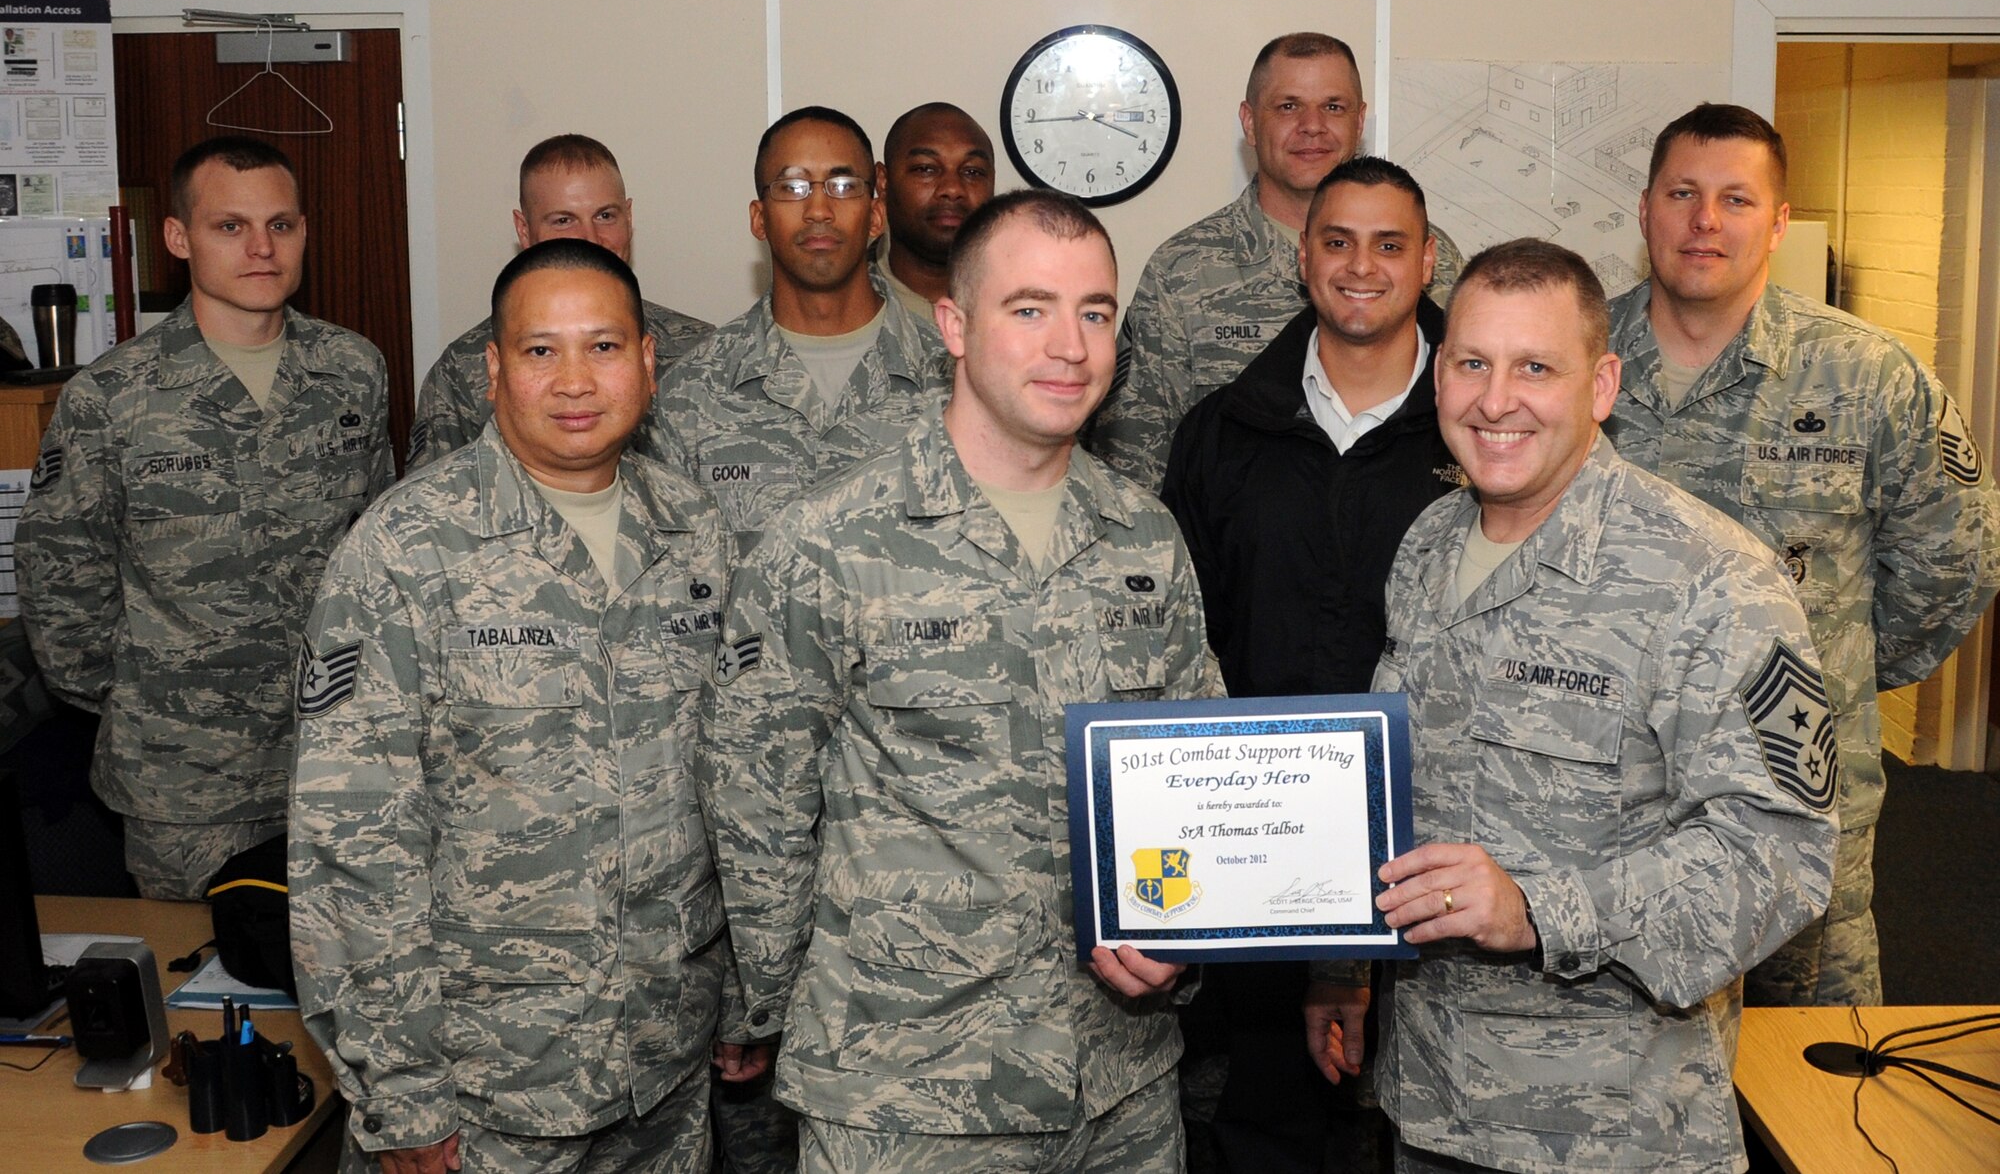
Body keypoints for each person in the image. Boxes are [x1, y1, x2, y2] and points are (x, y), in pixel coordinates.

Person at [696, 190, 1224, 1173]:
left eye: (1094, 311)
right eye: (1028, 308)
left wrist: (1183, 935)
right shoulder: (831, 537)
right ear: (953, 324)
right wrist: (782, 1006)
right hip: (905, 1096)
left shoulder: (1143, 538)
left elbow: (1196, 772)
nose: (1069, 344)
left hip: (1116, 1087)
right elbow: (756, 802)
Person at [1312, 238, 1837, 1173]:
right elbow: (1396, 785)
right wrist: (1342, 964)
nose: (1497, 398)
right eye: (1473, 362)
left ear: (1601, 385)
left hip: (1612, 1130)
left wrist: (1539, 908)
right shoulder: (1429, 543)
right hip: (1429, 1105)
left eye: (1536, 368)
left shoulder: (1711, 578)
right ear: (1439, 375)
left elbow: (1781, 854)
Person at [291, 239, 752, 1174]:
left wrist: (745, 995)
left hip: (665, 1071)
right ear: (494, 369)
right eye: (541, 350)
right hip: (484, 1092)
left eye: (605, 347)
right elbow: (352, 847)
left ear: (650, 360)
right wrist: (404, 1099)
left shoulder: (697, 532)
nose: (575, 379)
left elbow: (735, 783)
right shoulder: (406, 550)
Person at [1605, 103, 2000, 1007]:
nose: (1707, 221)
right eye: (1684, 193)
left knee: (1824, 1100)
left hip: (1800, 811)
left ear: (1778, 222)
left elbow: (1959, 558)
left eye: (1737, 198)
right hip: (1623, 818)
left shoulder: (1867, 375)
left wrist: (1832, 670)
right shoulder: (1573, 358)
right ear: (1645, 209)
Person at [1162, 157, 1461, 1174]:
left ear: (1427, 260)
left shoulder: (1482, 430)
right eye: (1336, 241)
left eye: (1389, 244)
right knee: (1271, 1128)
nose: (1361, 266)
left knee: (1436, 1133)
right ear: (1302, 259)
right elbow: (1178, 645)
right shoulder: (1220, 430)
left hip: (1449, 852)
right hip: (1265, 848)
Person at [17, 136, 392, 900]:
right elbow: (60, 582)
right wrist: (148, 695)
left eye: (281, 225)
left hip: (339, 760)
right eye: (231, 227)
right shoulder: (112, 396)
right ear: (179, 238)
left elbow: (381, 548)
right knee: (204, 990)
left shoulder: (353, 369)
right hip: (184, 785)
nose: (262, 247)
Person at [1089, 32, 1463, 489]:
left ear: (1359, 121)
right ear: (1249, 122)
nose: (1312, 125)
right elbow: (1133, 469)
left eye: (1333, 107)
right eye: (1288, 106)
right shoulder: (1183, 271)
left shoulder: (1433, 261)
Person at [654, 106, 950, 557]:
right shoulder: (691, 394)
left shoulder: (951, 379)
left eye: (843, 186)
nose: (818, 210)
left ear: (875, 216)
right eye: (792, 187)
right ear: (758, 218)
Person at [406, 133, 712, 469]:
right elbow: (436, 500)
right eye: (563, 220)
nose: (590, 238)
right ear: (524, 230)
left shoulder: (701, 352)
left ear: (629, 217)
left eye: (606, 216)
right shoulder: (463, 369)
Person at [876, 101, 998, 326]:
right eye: (926, 169)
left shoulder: (1025, 294)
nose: (952, 189)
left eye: (972, 171)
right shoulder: (844, 299)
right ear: (883, 182)